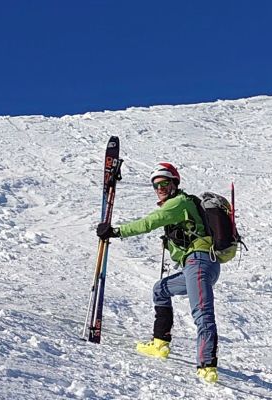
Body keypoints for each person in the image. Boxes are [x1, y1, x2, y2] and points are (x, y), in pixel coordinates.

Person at [95, 162, 223, 383]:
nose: (160, 188)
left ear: (174, 183)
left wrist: (116, 231)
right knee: (161, 290)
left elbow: (149, 222)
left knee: (202, 313)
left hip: (199, 262)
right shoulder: (179, 205)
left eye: (164, 183)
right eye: (156, 185)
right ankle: (160, 344)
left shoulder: (178, 202)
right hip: (198, 265)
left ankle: (207, 366)